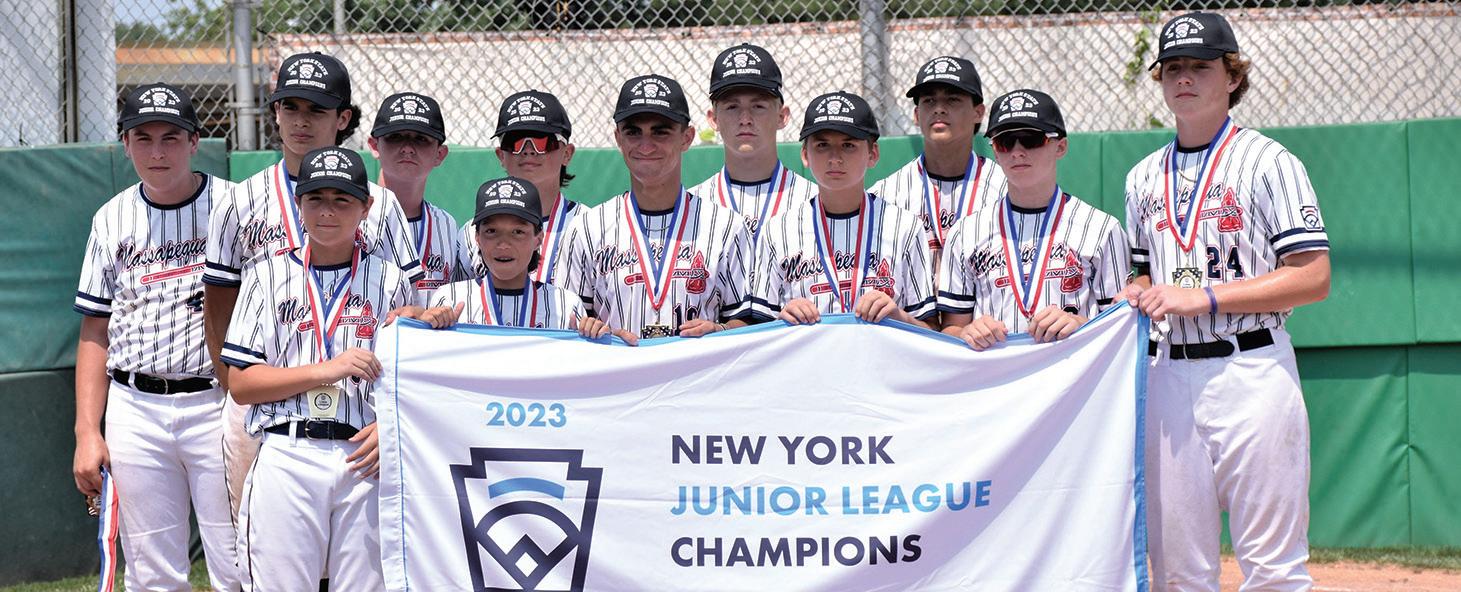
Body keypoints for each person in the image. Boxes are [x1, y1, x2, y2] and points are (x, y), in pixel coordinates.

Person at [1124, 12, 1331, 590]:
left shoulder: (1271, 162)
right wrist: (1136, 290)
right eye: (1172, 68)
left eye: (1200, 66)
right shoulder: (1142, 177)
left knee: (1273, 567)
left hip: (1252, 366)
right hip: (1168, 375)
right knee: (1177, 569)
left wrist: (1205, 297)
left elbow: (1314, 276)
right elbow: (1145, 273)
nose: (1184, 78)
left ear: (1233, 77)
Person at [202, 51, 419, 520]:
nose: (301, 121)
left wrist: (392, 412)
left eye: (316, 110)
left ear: (342, 118)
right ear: (275, 112)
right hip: (264, 398)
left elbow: (407, 309)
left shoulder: (381, 204)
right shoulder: (240, 200)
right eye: (291, 107)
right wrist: (232, 382)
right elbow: (218, 299)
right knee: (252, 534)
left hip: (357, 406)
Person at [222, 147, 418, 590]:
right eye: (316, 198)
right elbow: (242, 384)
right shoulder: (264, 275)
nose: (327, 211)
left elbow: (406, 379)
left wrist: (390, 426)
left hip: (364, 457)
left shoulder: (390, 280)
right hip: (287, 450)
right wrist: (327, 369)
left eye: (342, 200)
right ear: (298, 203)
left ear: (366, 207)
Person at [72, 82, 241, 592]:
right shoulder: (111, 218)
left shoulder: (233, 206)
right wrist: (87, 431)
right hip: (135, 405)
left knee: (237, 562)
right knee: (151, 573)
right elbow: (95, 328)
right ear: (125, 144)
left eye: (171, 137)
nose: (157, 151)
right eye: (143, 138)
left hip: (217, 400)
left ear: (194, 142)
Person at [554, 75, 754, 340]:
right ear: (618, 138)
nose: (646, 145)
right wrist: (596, 331)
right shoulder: (587, 228)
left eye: (660, 131)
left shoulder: (727, 226)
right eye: (633, 132)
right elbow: (564, 322)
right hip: (619, 366)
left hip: (697, 366)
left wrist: (720, 330)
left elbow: (751, 323)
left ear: (687, 138)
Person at [939, 90, 1130, 350]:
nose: (1017, 152)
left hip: (1073, 370)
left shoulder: (1102, 228)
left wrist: (1081, 324)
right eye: (1005, 142)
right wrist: (967, 332)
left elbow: (1121, 326)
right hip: (996, 372)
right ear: (995, 151)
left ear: (1060, 146)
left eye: (1031, 139)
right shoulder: (965, 232)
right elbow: (951, 328)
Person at [746, 91, 937, 328]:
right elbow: (758, 332)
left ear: (873, 154)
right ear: (805, 155)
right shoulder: (777, 231)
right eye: (822, 145)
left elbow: (932, 331)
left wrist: (900, 317)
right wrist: (783, 318)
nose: (835, 157)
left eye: (848, 145)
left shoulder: (905, 227)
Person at [420, 177, 638, 344]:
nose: (503, 244)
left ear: (538, 239)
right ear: (477, 237)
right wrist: (426, 326)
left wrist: (607, 342)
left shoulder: (565, 305)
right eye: (492, 231)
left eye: (518, 232)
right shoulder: (450, 299)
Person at [869, 56, 1007, 280]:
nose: (939, 109)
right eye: (929, 101)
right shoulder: (886, 195)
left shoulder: (1005, 188)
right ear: (917, 115)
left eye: (953, 100)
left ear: (978, 112)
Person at [688, 43, 816, 239]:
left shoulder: (814, 202)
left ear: (782, 116)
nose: (745, 119)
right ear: (714, 119)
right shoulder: (692, 206)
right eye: (732, 107)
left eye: (758, 106)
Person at [460, 90, 580, 282]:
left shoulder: (589, 226)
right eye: (515, 142)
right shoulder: (472, 233)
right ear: (501, 155)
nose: (529, 151)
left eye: (543, 142)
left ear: (567, 153)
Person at [368, 91, 470, 299]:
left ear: (440, 154)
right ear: (374, 146)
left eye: (421, 139)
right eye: (395, 137)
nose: (407, 148)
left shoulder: (446, 224)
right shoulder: (351, 215)